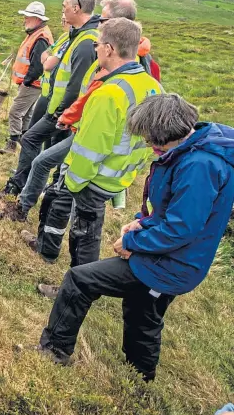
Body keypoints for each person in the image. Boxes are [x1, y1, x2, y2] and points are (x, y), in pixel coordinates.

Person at [38, 94, 234, 382]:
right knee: (142, 313)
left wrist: (131, 244)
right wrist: (143, 223)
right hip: (172, 258)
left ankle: (55, 349)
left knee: (80, 280)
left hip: (172, 264)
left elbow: (182, 228)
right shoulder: (190, 150)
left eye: (150, 138)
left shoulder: (198, 165)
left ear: (166, 132)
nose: (148, 145)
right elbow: (175, 209)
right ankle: (140, 379)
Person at [33, 17, 162, 277]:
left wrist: (73, 182)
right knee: (87, 230)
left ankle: (78, 283)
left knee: (84, 235)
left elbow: (90, 149)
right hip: (120, 175)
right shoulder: (153, 86)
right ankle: (63, 263)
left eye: (98, 44)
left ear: (109, 49)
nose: (96, 49)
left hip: (94, 178)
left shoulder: (108, 94)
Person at [0, 0, 143, 223]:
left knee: (63, 183)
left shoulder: (94, 51)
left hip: (86, 137)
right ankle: (38, 224)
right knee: (55, 175)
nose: (98, 22)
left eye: (103, 19)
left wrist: (65, 116)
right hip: (76, 125)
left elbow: (81, 90)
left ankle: (27, 209)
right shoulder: (99, 51)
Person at [0, 0, 101, 198]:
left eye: (65, 6)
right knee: (42, 145)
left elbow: (75, 86)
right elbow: (52, 63)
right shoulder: (75, 36)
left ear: (77, 8)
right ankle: (32, 187)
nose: (63, 11)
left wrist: (60, 114)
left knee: (34, 142)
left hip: (63, 113)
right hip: (55, 105)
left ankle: (23, 190)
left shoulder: (86, 42)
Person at [0, 2, 53, 154]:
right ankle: (25, 142)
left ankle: (12, 143)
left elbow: (38, 66)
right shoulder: (37, 34)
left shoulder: (40, 38)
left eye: (27, 17)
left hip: (32, 84)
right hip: (33, 83)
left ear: (36, 19)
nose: (24, 20)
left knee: (15, 112)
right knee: (26, 113)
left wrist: (27, 82)